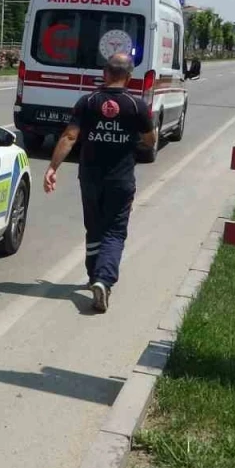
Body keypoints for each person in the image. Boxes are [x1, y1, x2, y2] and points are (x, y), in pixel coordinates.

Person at [42, 52, 156, 313]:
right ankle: (103, 280)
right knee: (114, 231)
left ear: (105, 73)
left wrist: (52, 167)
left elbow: (70, 137)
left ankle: (94, 276)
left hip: (90, 177)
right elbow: (150, 141)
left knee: (93, 227)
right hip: (121, 179)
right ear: (129, 77)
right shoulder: (136, 105)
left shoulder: (88, 102)